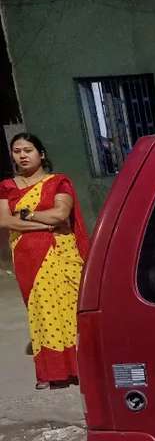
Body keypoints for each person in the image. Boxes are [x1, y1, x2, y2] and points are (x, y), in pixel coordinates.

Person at [0, 134, 89, 389]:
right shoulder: (7, 186)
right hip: (27, 257)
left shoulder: (58, 182)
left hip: (62, 255)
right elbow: (5, 221)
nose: (22, 155)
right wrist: (44, 224)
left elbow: (60, 215)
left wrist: (27, 215)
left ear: (41, 154)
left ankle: (80, 368)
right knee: (41, 311)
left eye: (28, 150)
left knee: (71, 309)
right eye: (17, 151)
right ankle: (53, 372)